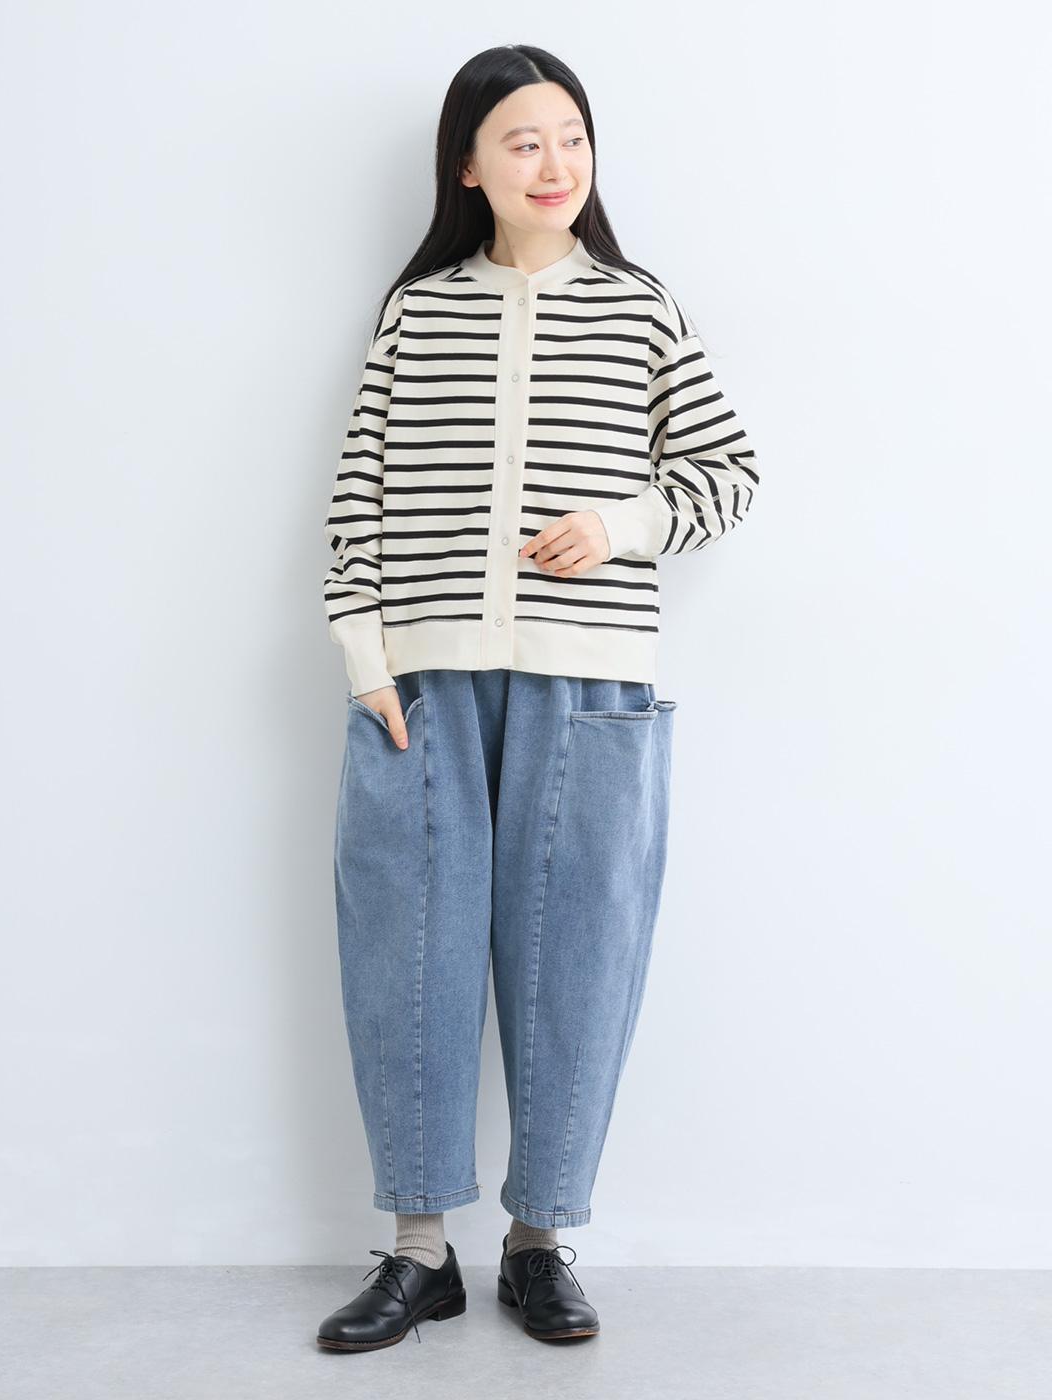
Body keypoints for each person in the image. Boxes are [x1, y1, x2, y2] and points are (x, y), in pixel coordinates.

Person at [316, 43, 761, 1352]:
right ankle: (418, 1253)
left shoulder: (640, 309)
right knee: (409, 955)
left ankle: (539, 1243)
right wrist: (365, 658)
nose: (555, 163)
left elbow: (728, 474)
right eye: (523, 140)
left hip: (592, 687)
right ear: (468, 165)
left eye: (571, 136)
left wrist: (621, 523)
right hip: (422, 689)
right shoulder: (419, 314)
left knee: (578, 962)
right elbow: (357, 496)